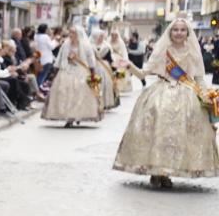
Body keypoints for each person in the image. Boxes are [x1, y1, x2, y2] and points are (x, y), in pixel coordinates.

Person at [114, 16, 219, 188]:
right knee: (158, 133)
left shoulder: (193, 51)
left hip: (187, 95)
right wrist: (129, 65)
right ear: (170, 32)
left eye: (182, 30)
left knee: (179, 136)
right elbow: (143, 73)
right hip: (160, 94)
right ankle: (156, 172)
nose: (179, 33)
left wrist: (207, 96)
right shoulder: (162, 50)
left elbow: (199, 78)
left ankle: (169, 171)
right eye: (175, 30)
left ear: (187, 33)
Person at [41, 26, 102, 127]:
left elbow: (91, 59)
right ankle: (69, 117)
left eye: (73, 33)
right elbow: (60, 57)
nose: (70, 35)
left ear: (78, 34)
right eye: (70, 32)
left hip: (81, 70)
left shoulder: (86, 45)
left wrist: (92, 72)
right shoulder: (65, 44)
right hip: (67, 69)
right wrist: (55, 71)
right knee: (64, 91)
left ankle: (78, 115)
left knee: (80, 92)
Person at [90, 29, 119, 110]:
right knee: (95, 85)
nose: (101, 38)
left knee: (105, 84)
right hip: (94, 67)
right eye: (100, 36)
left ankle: (105, 103)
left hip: (105, 68)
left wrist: (114, 69)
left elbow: (110, 59)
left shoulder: (106, 47)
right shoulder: (90, 46)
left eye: (102, 36)